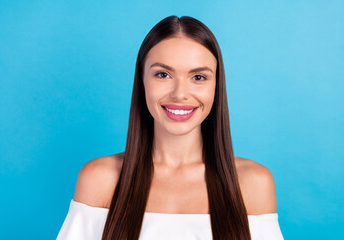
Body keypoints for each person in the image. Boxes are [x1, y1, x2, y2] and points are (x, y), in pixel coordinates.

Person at [56, 15, 284, 240]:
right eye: (163, 74)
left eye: (198, 77)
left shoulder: (252, 183)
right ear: (142, 82)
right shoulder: (101, 179)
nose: (180, 94)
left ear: (217, 85)